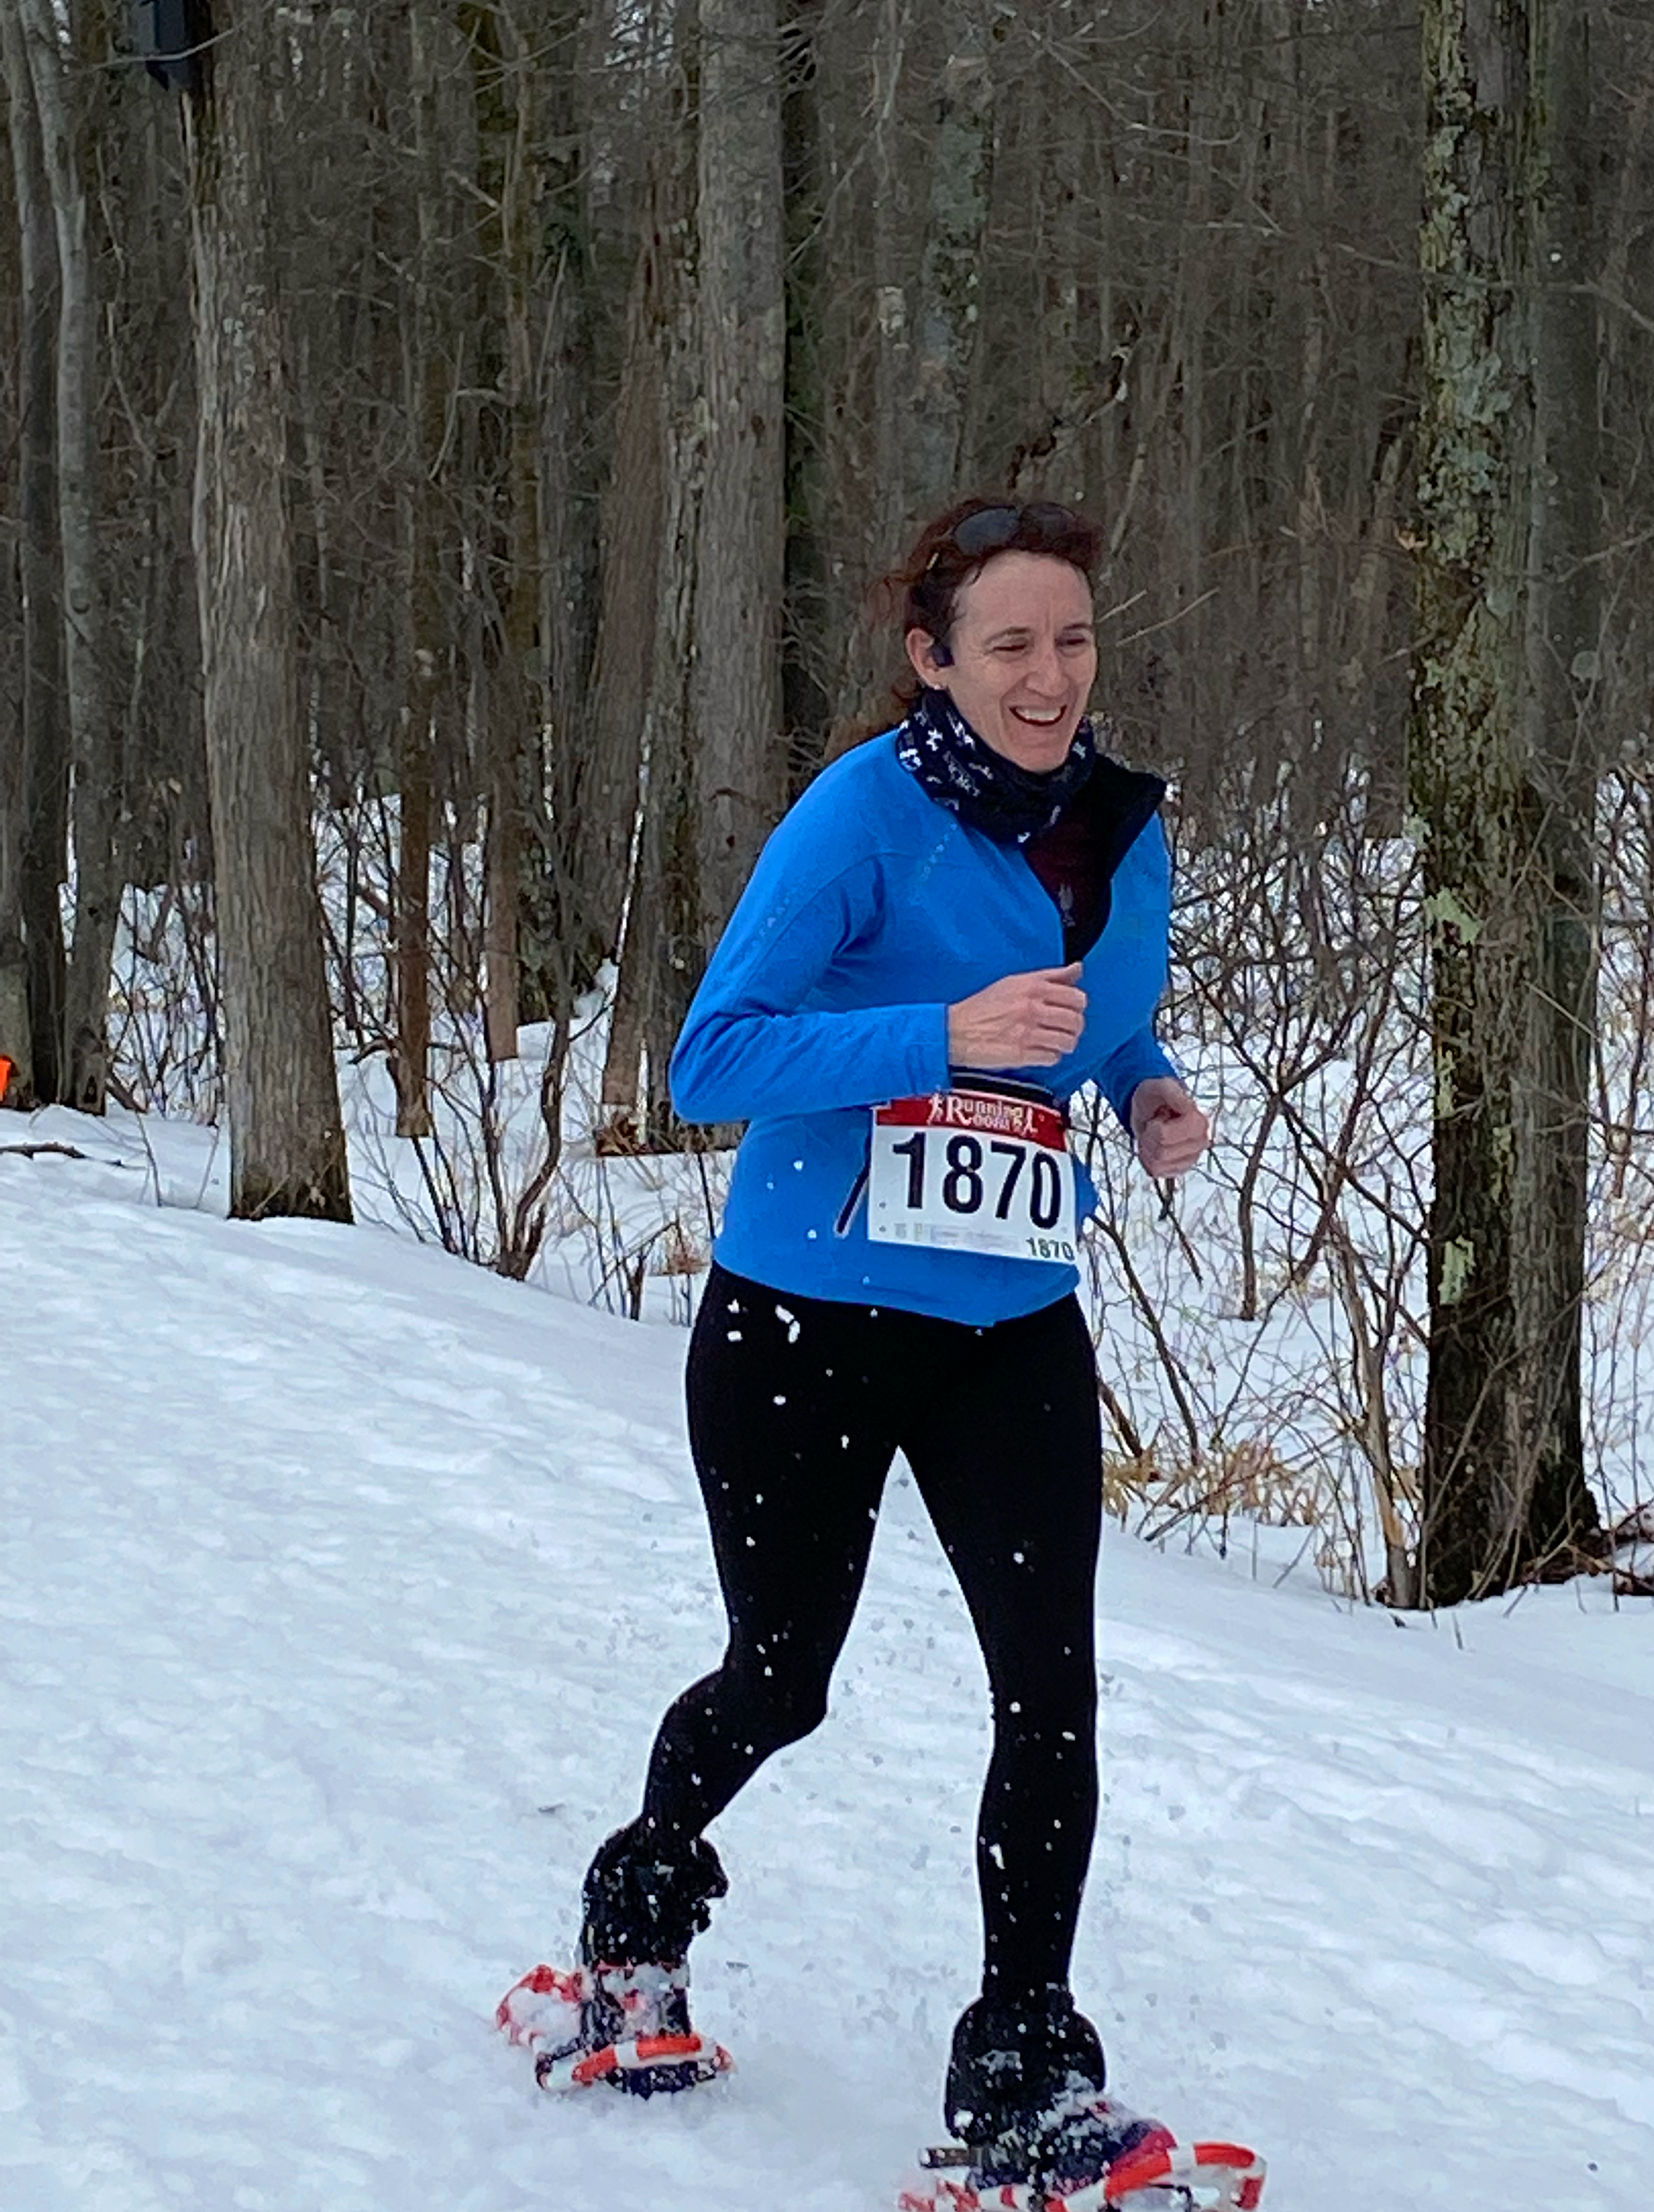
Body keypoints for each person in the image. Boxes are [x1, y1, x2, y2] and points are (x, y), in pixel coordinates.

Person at [555, 499, 1211, 2195]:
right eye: (1010, 645)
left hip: (1009, 1322)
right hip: (806, 1320)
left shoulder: (1121, 826)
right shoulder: (861, 815)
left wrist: (1142, 1086)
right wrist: (940, 1034)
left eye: (1073, 639)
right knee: (783, 1678)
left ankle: (1023, 2071)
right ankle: (634, 1918)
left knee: (1050, 1691)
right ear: (934, 658)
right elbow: (712, 1058)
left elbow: (1103, 1014)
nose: (1050, 676)